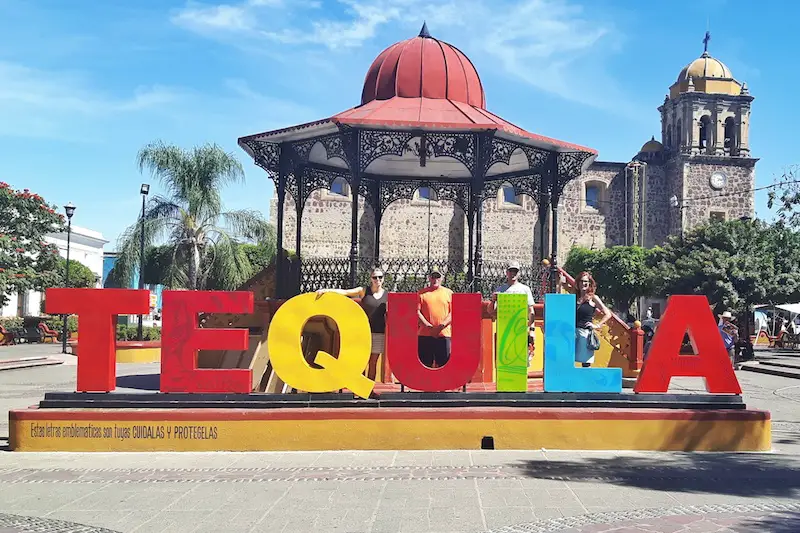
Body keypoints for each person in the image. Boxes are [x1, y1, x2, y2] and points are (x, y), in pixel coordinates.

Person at [316, 267, 387, 380]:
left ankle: (369, 389)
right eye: (375, 277)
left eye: (380, 277)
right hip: (364, 331)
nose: (377, 279)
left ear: (383, 279)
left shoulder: (387, 295)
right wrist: (326, 290)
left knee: (373, 362)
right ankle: (360, 386)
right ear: (371, 278)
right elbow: (345, 292)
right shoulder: (363, 291)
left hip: (378, 332)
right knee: (361, 361)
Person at [492, 260, 536, 366]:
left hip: (520, 330)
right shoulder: (500, 290)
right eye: (511, 271)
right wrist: (493, 300)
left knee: (520, 362)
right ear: (506, 272)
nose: (513, 273)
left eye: (515, 271)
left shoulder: (525, 289)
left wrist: (532, 330)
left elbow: (531, 312)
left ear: (519, 273)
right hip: (505, 331)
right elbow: (491, 312)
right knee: (505, 362)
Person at [575, 271, 612, 367]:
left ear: (590, 284)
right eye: (582, 281)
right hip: (572, 332)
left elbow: (608, 314)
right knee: (567, 360)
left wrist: (597, 325)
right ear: (578, 283)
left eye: (586, 282)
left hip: (585, 332)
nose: (583, 284)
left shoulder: (593, 298)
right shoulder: (574, 297)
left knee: (586, 363)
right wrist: (559, 284)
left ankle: (586, 382)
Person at [417, 268, 453, 368]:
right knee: (424, 365)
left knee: (444, 365)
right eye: (433, 277)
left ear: (442, 278)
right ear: (429, 278)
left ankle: (443, 384)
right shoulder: (421, 293)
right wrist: (428, 326)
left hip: (443, 334)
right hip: (425, 334)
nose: (435, 279)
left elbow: (452, 312)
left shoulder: (449, 293)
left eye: (438, 277)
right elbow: (417, 312)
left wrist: (441, 326)